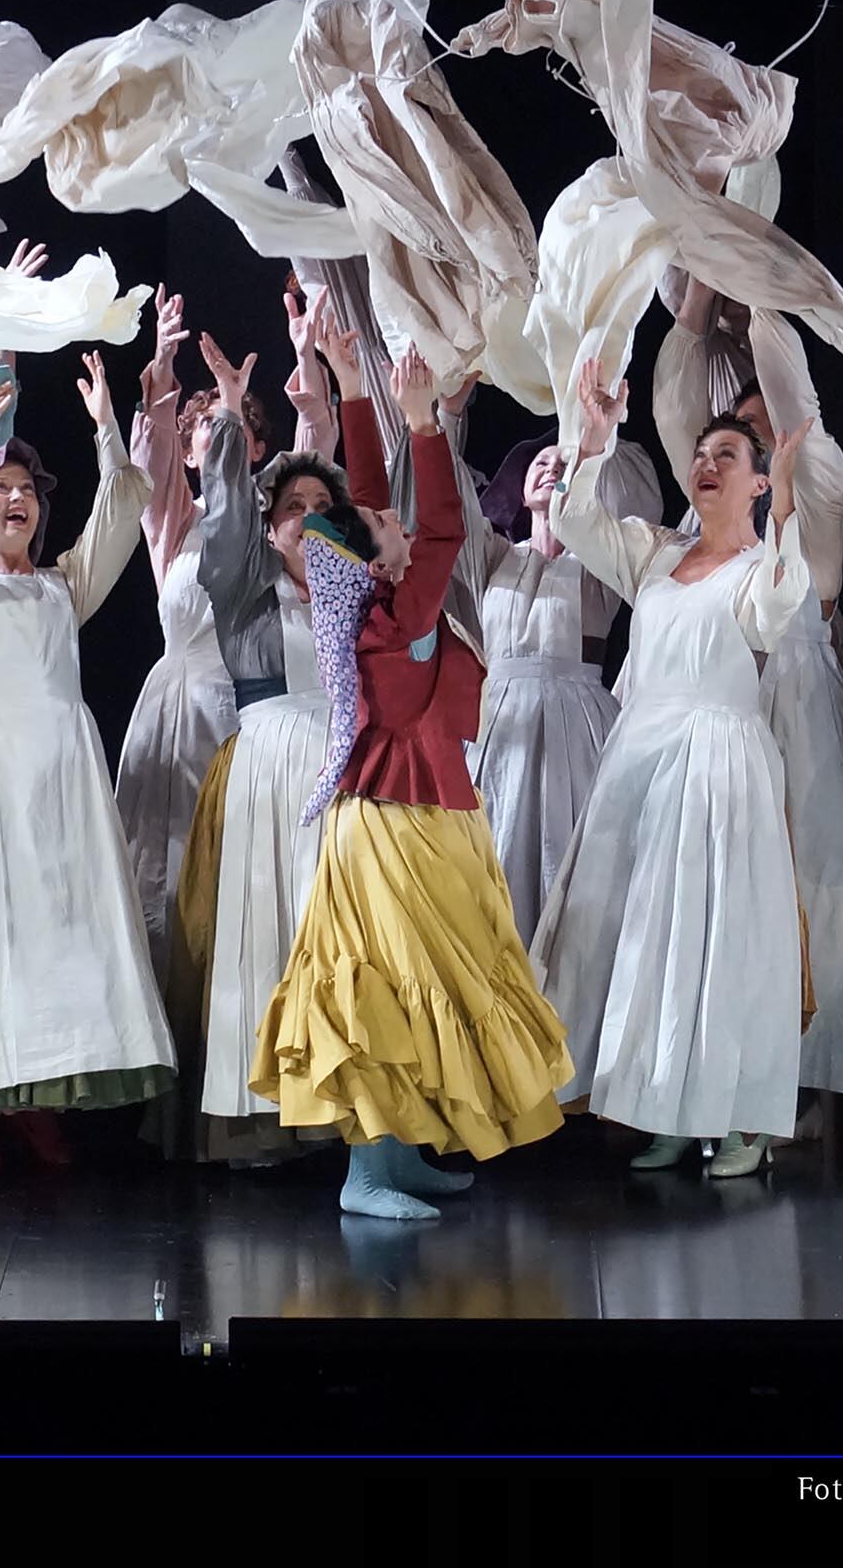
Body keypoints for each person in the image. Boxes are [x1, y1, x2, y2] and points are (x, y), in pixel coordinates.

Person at [254, 346, 574, 1220]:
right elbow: (442, 525)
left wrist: (358, 394)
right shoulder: (400, 611)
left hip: (425, 817)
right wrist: (424, 424)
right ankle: (366, 1176)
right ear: (380, 556)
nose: (383, 516)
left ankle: (398, 1161)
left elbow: (369, 506)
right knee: (383, 998)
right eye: (376, 525)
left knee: (420, 988)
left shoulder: (378, 604)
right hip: (392, 826)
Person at [533, 358, 816, 1181]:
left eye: (729, 456)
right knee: (646, 936)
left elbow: (780, 600)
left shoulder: (754, 568)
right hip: (644, 758)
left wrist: (792, 492)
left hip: (718, 760)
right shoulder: (657, 555)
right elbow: (576, 518)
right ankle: (662, 1105)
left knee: (719, 936)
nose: (708, 464)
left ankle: (739, 1122)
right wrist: (594, 435)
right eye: (703, 454)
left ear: (757, 483)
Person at [0, 350, 174, 1152]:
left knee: (65, 927)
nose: (16, 500)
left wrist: (105, 429)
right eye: (2, 491)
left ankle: (48, 1097)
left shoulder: (60, 584)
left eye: (25, 492)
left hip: (63, 775)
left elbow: (121, 517)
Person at [655, 285, 843, 1105]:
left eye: (755, 432)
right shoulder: (700, 523)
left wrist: (757, 288)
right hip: (714, 705)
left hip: (794, 702)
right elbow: (674, 395)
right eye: (735, 434)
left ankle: (808, 1082)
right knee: (713, 891)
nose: (740, 445)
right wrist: (705, 289)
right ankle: (709, 1076)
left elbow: (793, 394)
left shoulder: (818, 482)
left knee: (812, 881)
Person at [169, 309, 357, 1163]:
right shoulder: (248, 595)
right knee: (270, 932)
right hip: (272, 765)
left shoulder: (355, 603)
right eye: (294, 507)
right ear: (271, 520)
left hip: (347, 777)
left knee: (340, 939)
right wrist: (232, 426)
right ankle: (264, 1126)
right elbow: (224, 527)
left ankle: (346, 1115)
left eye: (324, 507)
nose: (309, 518)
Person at [109, 289, 260, 965]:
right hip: (169, 704)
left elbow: (320, 458)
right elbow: (153, 463)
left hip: (239, 705)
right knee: (157, 856)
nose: (220, 435)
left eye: (235, 426)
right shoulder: (177, 521)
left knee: (229, 850)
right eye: (205, 428)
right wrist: (162, 364)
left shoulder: (266, 521)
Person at [457, 431, 625, 941]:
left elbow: (626, 495)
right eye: (541, 461)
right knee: (492, 866)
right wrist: (443, 413)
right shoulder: (493, 556)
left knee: (569, 871)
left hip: (574, 734)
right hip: (497, 729)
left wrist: (591, 440)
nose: (550, 467)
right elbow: (451, 502)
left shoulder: (598, 566)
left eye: (563, 463)